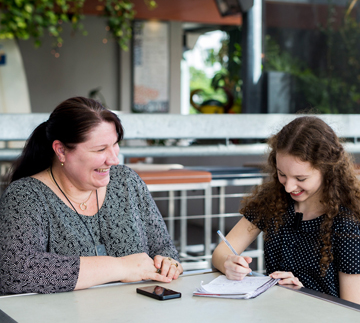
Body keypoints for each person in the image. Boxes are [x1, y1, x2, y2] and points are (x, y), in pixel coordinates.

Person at [0, 96, 183, 294]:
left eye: (115, 144)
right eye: (100, 149)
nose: (113, 159)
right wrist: (121, 267)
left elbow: (165, 248)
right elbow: (14, 272)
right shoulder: (26, 196)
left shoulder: (126, 182)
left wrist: (168, 263)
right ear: (61, 151)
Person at [212, 116, 360, 304]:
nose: (289, 187)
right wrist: (228, 263)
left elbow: (353, 308)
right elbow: (220, 252)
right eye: (282, 174)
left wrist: (304, 293)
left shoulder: (346, 222)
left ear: (327, 170)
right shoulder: (272, 200)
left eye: (301, 178)